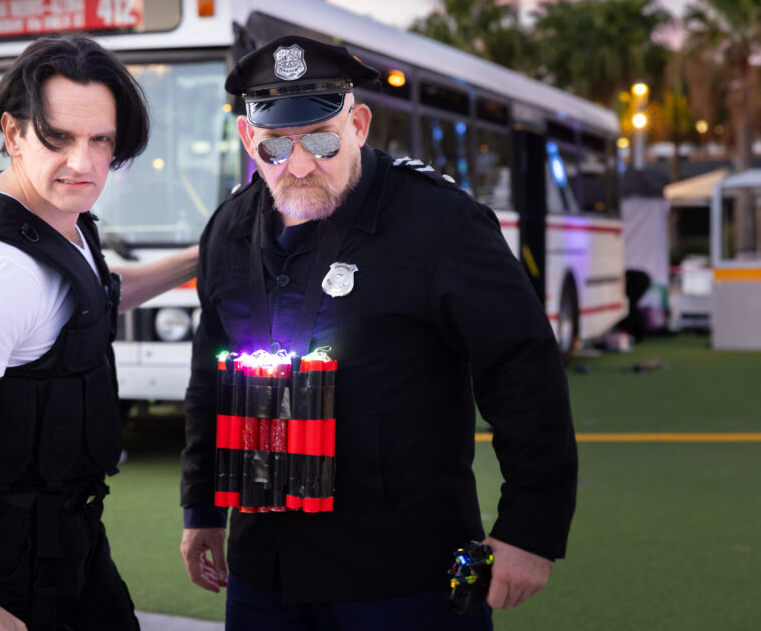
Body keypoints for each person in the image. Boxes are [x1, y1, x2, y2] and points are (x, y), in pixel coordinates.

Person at [179, 35, 578, 630]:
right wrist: (201, 508)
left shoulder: (442, 223)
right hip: (265, 570)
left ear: (359, 125)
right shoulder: (228, 229)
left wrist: (530, 529)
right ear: (247, 140)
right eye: (275, 147)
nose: (301, 163)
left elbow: (523, 372)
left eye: (321, 138)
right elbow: (210, 381)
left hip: (401, 574)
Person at [0, 33, 198, 630]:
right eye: (57, 138)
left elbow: (101, 295)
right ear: (13, 133)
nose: (83, 164)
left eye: (101, 141)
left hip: (70, 539)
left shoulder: (59, 219)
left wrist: (207, 252)